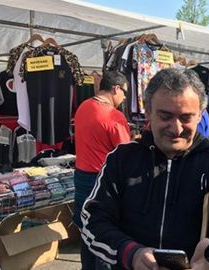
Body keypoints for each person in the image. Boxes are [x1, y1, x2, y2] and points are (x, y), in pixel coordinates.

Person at [81, 68, 209, 270]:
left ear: (200, 116)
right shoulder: (122, 159)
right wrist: (131, 254)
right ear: (148, 112)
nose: (176, 128)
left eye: (186, 118)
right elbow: (94, 220)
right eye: (165, 116)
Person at [73, 70, 131, 269]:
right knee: (105, 234)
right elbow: (126, 155)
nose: (124, 98)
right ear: (116, 88)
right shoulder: (114, 116)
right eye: (124, 92)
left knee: (86, 230)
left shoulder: (83, 107)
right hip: (102, 181)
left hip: (80, 177)